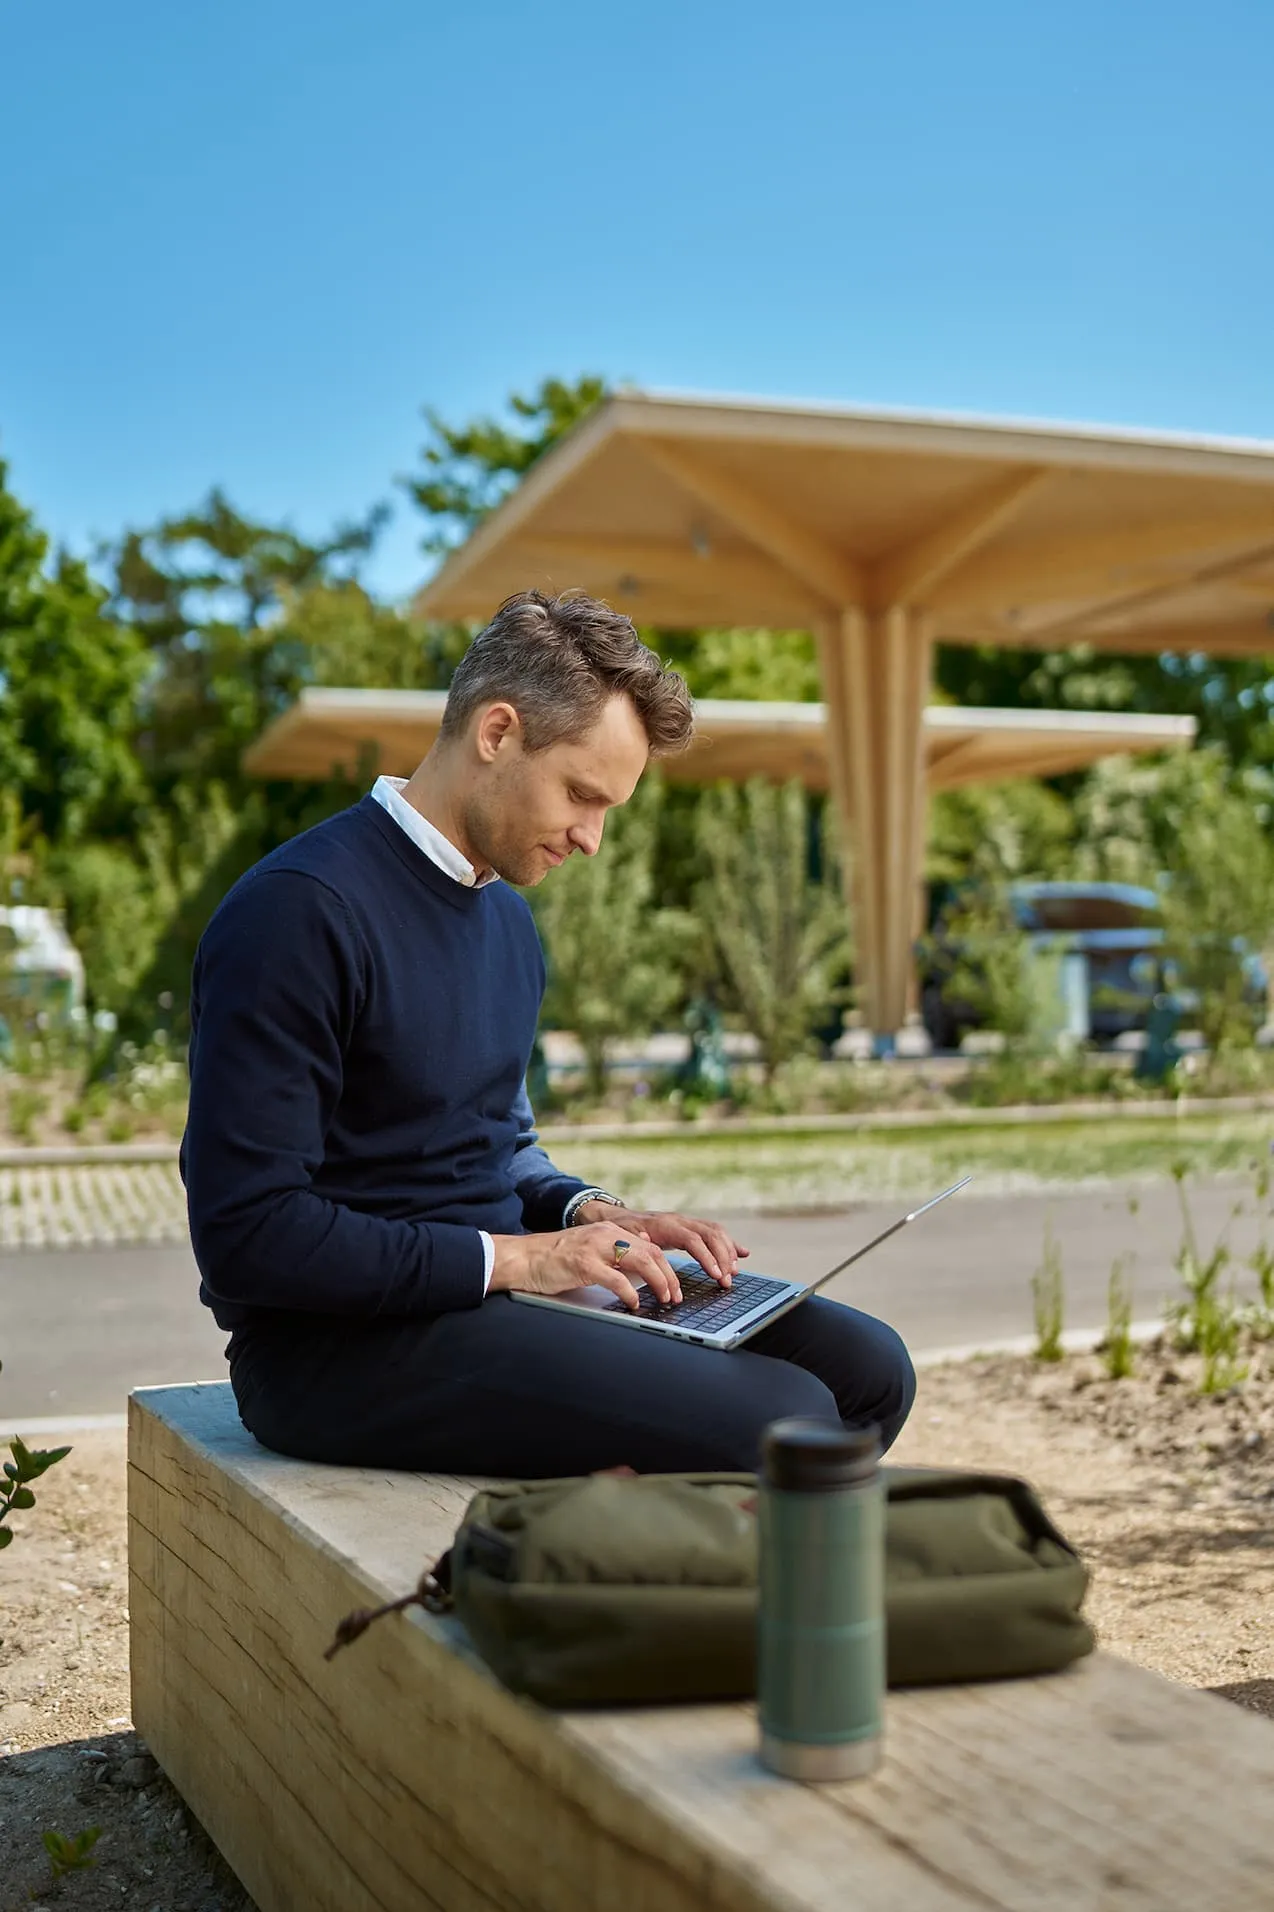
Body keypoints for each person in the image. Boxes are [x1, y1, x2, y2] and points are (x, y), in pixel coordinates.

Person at [181, 590, 915, 1475]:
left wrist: (592, 1215)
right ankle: (653, 1591)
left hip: (504, 1303)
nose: (593, 839)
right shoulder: (298, 912)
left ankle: (710, 1581)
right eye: (580, 795)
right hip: (334, 1350)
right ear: (497, 733)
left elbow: (500, 1147)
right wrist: (521, 1261)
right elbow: (249, 1237)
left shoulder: (506, 925)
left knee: (871, 1373)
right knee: (785, 1413)